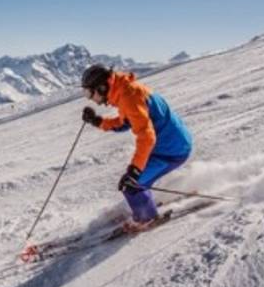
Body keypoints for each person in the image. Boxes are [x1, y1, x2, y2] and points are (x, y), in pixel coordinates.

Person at [80, 64, 193, 231]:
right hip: (170, 144)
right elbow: (126, 121)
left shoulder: (129, 96)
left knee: (131, 185)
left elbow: (146, 137)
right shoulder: (125, 91)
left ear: (102, 87)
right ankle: (144, 203)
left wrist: (135, 170)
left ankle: (146, 218)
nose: (90, 98)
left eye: (90, 93)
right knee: (134, 182)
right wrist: (98, 122)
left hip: (171, 149)